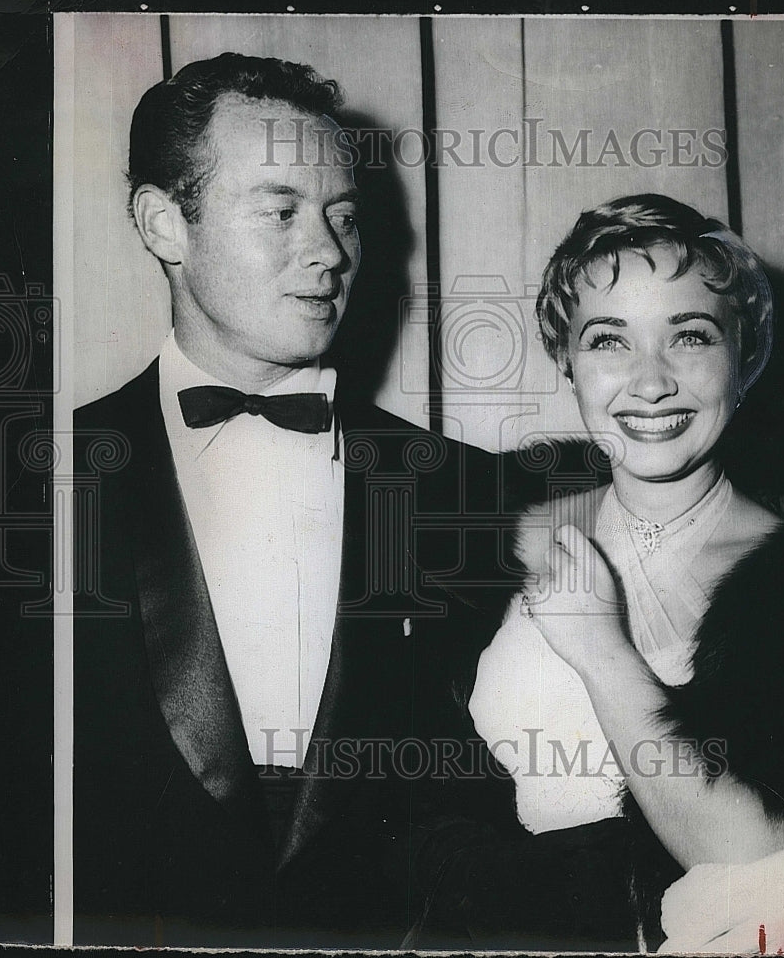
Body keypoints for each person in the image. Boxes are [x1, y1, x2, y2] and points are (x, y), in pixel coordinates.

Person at [70, 52, 516, 948]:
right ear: (164, 223)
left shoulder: (466, 491)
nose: (330, 251)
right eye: (280, 211)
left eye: (342, 216)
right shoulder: (35, 481)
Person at [408, 195, 784, 950]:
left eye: (689, 336)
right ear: (565, 358)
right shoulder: (484, 547)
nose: (650, 380)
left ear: (747, 354)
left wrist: (601, 650)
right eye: (609, 341)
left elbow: (757, 855)